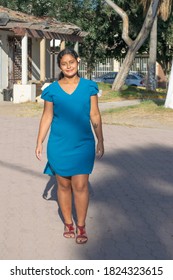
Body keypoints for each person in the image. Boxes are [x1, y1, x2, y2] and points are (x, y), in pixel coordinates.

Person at [35, 47, 104, 244]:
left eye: (71, 62)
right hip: (59, 145)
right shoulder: (52, 90)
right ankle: (68, 223)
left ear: (78, 62)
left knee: (80, 185)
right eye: (64, 64)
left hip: (83, 144)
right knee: (63, 185)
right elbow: (47, 116)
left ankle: (81, 226)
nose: (68, 66)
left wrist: (101, 139)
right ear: (60, 66)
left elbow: (95, 115)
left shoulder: (89, 87)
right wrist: (39, 140)